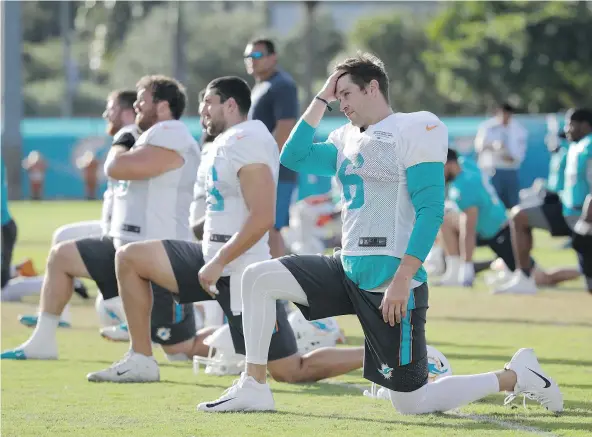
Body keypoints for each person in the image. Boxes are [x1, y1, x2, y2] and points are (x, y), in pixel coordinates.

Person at [197, 53, 563, 414]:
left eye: (346, 95)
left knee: (412, 402)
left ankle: (515, 376)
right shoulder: (343, 138)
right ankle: (254, 384)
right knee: (257, 277)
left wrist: (404, 278)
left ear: (372, 87)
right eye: (336, 97)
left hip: (389, 279)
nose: (340, 104)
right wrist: (321, 97)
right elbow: (291, 156)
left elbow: (431, 209)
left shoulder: (416, 127)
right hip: (346, 268)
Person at [86, 76, 363, 383]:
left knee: (289, 370)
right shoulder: (225, 142)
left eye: (208, 103)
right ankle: (141, 358)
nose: (202, 110)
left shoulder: (249, 140)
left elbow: (262, 217)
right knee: (130, 257)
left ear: (231, 105)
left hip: (240, 270)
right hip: (209, 256)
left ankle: (379, 354)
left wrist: (219, 261)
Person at [1, 75, 200, 360]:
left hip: (159, 254)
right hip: (126, 245)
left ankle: (231, 348)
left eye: (142, 100)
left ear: (164, 106)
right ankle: (42, 342)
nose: (137, 105)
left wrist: (121, 141)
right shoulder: (150, 136)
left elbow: (118, 167)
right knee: (62, 255)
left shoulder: (171, 134)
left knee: (179, 350)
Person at [7, 91, 138, 310]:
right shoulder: (125, 140)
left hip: (130, 233)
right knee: (62, 236)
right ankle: (57, 314)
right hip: (114, 227)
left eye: (111, 109)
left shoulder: (137, 141)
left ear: (126, 113)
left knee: (110, 306)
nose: (106, 114)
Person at [490, 111, 581, 294]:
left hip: (574, 210)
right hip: (568, 208)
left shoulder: (575, 152)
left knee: (518, 216)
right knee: (518, 216)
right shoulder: (566, 154)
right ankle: (523, 275)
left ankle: (524, 276)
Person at [244, 38, 299, 259]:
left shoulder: (282, 85)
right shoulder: (260, 87)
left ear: (272, 57)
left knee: (271, 227)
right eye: (247, 56)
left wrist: (262, 165)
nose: (251, 61)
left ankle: (278, 291)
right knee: (261, 226)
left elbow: (285, 129)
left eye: (256, 56)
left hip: (276, 170)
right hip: (261, 168)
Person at [437, 149, 518, 287]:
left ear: (450, 164)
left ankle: (470, 268)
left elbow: (468, 229)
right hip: (487, 226)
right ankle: (454, 273)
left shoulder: (466, 185)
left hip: (499, 233)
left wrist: (467, 267)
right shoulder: (464, 165)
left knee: (538, 277)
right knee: (445, 219)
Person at [474, 103, 528, 209]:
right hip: (492, 170)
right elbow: (479, 146)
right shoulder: (487, 127)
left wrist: (510, 157)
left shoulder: (519, 129)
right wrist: (494, 146)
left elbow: (520, 153)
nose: (505, 118)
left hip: (511, 169)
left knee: (513, 203)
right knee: (494, 202)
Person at [562, 109, 592, 293]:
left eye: (571, 124)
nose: (567, 129)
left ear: (584, 125)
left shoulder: (589, 146)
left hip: (587, 212)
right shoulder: (579, 145)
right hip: (574, 211)